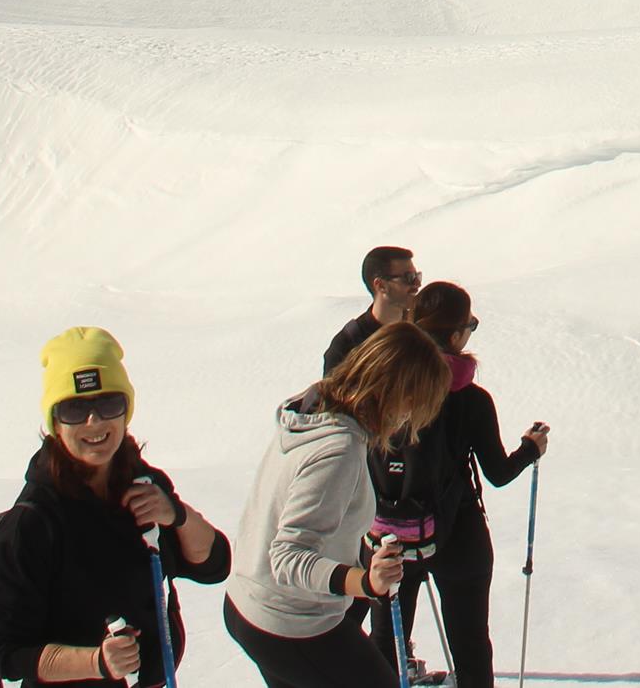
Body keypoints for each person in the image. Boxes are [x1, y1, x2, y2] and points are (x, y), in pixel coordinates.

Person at [0, 327, 230, 686]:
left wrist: (175, 515)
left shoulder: (145, 486)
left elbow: (214, 564)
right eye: (74, 409)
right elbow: (5, 654)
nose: (94, 422)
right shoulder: (32, 522)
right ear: (54, 423)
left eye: (108, 404)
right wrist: (96, 662)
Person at [228, 323, 455, 688]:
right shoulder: (338, 450)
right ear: (395, 393)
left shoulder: (312, 410)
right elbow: (288, 556)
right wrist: (365, 582)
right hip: (290, 622)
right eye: (415, 404)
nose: (410, 420)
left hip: (252, 603)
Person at [367, 284, 547, 688]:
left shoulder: (382, 388)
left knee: (384, 642)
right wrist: (530, 449)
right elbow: (497, 473)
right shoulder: (471, 398)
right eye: (469, 325)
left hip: (391, 535)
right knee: (469, 645)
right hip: (459, 534)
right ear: (454, 337)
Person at [322, 248, 420, 376]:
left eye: (417, 276)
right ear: (380, 285)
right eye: (409, 278)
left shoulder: (423, 331)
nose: (417, 284)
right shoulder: (347, 345)